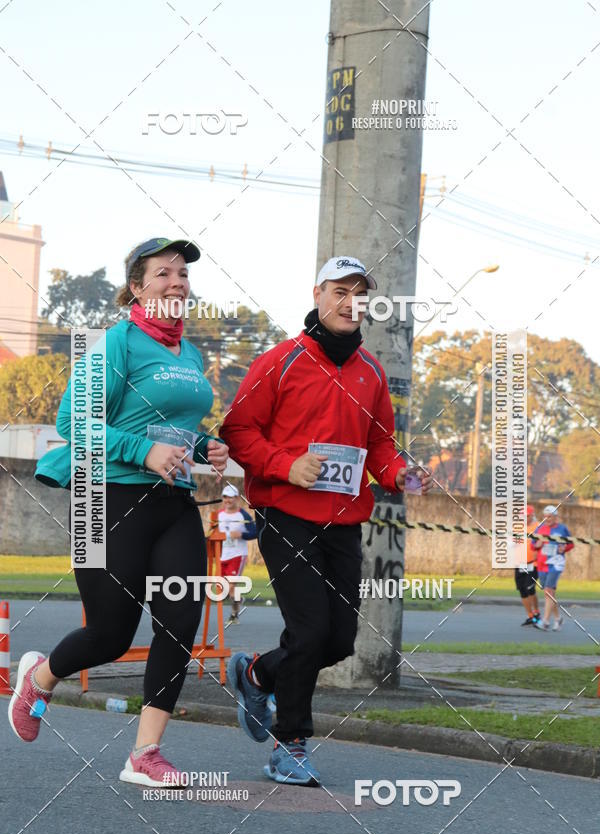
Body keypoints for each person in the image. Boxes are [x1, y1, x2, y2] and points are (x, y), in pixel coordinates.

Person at [8, 237, 229, 786]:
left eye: (183, 275)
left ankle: (145, 755)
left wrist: (203, 448)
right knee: (110, 631)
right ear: (137, 287)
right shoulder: (115, 343)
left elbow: (169, 425)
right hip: (102, 498)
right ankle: (39, 676)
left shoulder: (190, 354)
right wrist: (143, 452)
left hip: (172, 500)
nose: (177, 282)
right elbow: (72, 424)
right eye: (164, 274)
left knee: (180, 620)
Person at [220, 255, 433, 786]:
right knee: (311, 630)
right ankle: (289, 746)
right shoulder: (280, 361)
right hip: (285, 513)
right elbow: (239, 431)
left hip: (343, 520)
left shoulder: (371, 373)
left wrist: (401, 474)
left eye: (359, 293)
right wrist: (286, 465)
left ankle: (256, 672)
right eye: (339, 291)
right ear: (318, 294)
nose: (349, 302)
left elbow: (380, 444)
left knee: (338, 640)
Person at [217, 484, 257, 624]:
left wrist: (241, 534)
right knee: (222, 588)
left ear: (236, 499)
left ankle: (234, 615)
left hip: (237, 555)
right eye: (225, 497)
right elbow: (213, 532)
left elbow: (255, 532)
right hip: (222, 555)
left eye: (231, 497)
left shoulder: (242, 515)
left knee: (231, 586)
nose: (228, 500)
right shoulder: (219, 515)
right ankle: (238, 600)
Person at [533, 504, 574, 632]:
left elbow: (571, 543)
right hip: (542, 564)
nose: (547, 519)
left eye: (550, 517)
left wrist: (564, 548)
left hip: (556, 563)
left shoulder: (562, 529)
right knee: (549, 593)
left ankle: (545, 622)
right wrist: (537, 544)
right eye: (545, 517)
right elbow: (533, 545)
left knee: (548, 591)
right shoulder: (539, 528)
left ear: (555, 517)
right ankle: (558, 618)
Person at [515, 505, 541, 626]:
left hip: (534, 563)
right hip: (520, 562)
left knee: (530, 587)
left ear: (532, 515)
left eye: (527, 516)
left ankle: (537, 613)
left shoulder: (538, 526)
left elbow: (544, 542)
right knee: (522, 589)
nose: (525, 518)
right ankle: (530, 616)